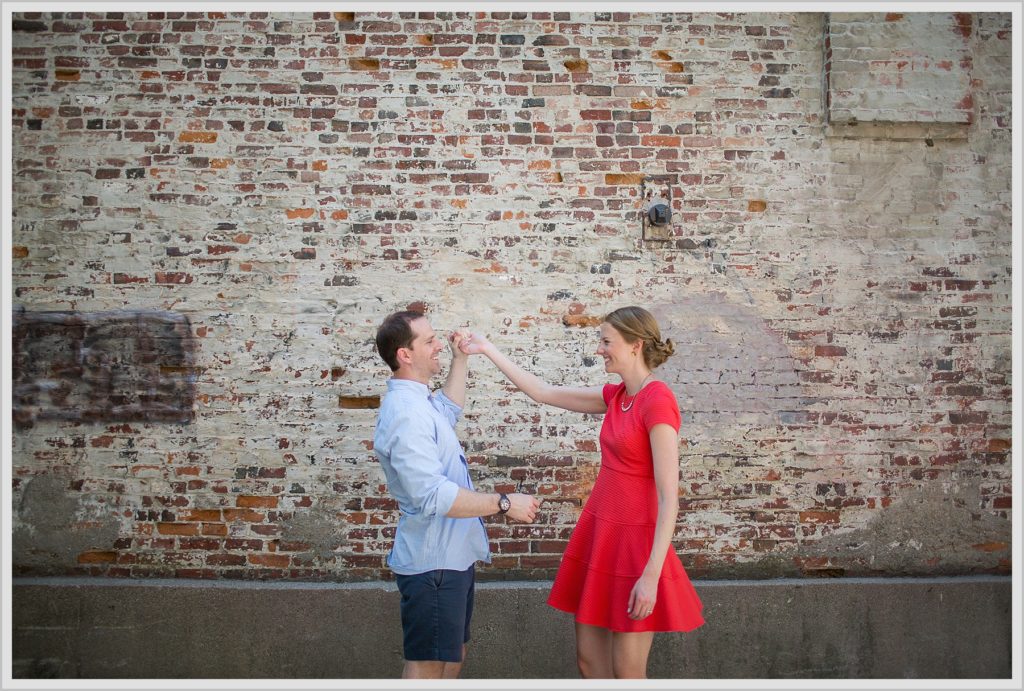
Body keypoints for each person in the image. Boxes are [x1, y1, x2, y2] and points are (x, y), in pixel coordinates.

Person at [459, 305, 705, 679]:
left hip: (635, 547)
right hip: (601, 534)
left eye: (606, 341)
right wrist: (488, 349)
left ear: (635, 345)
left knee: (627, 673)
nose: (600, 349)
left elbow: (670, 498)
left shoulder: (658, 401)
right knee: (590, 663)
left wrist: (651, 576)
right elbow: (542, 392)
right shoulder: (617, 396)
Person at [373, 310, 540, 679]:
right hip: (433, 563)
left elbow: (448, 410)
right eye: (429, 340)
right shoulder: (406, 413)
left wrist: (460, 358)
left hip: (452, 559)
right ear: (405, 354)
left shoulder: (421, 401)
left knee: (453, 656)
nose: (438, 345)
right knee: (428, 665)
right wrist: (504, 503)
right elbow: (432, 496)